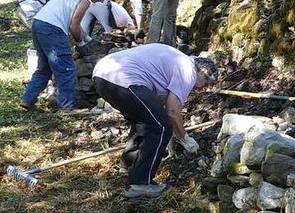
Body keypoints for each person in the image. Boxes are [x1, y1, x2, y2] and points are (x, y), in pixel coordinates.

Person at [93, 45, 218, 198]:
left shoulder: (177, 62)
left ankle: (128, 164)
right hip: (123, 78)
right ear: (202, 72)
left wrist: (176, 133)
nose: (203, 89)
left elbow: (161, 106)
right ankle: (140, 183)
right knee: (161, 128)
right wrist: (183, 137)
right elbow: (172, 111)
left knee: (144, 120)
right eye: (206, 83)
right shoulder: (188, 71)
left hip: (103, 75)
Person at [20, 0, 116, 111]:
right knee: (66, 70)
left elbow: (75, 24)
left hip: (39, 24)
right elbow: (74, 25)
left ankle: (27, 100)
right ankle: (66, 109)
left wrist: (89, 40)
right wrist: (80, 44)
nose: (102, 0)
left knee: (44, 69)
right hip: (52, 29)